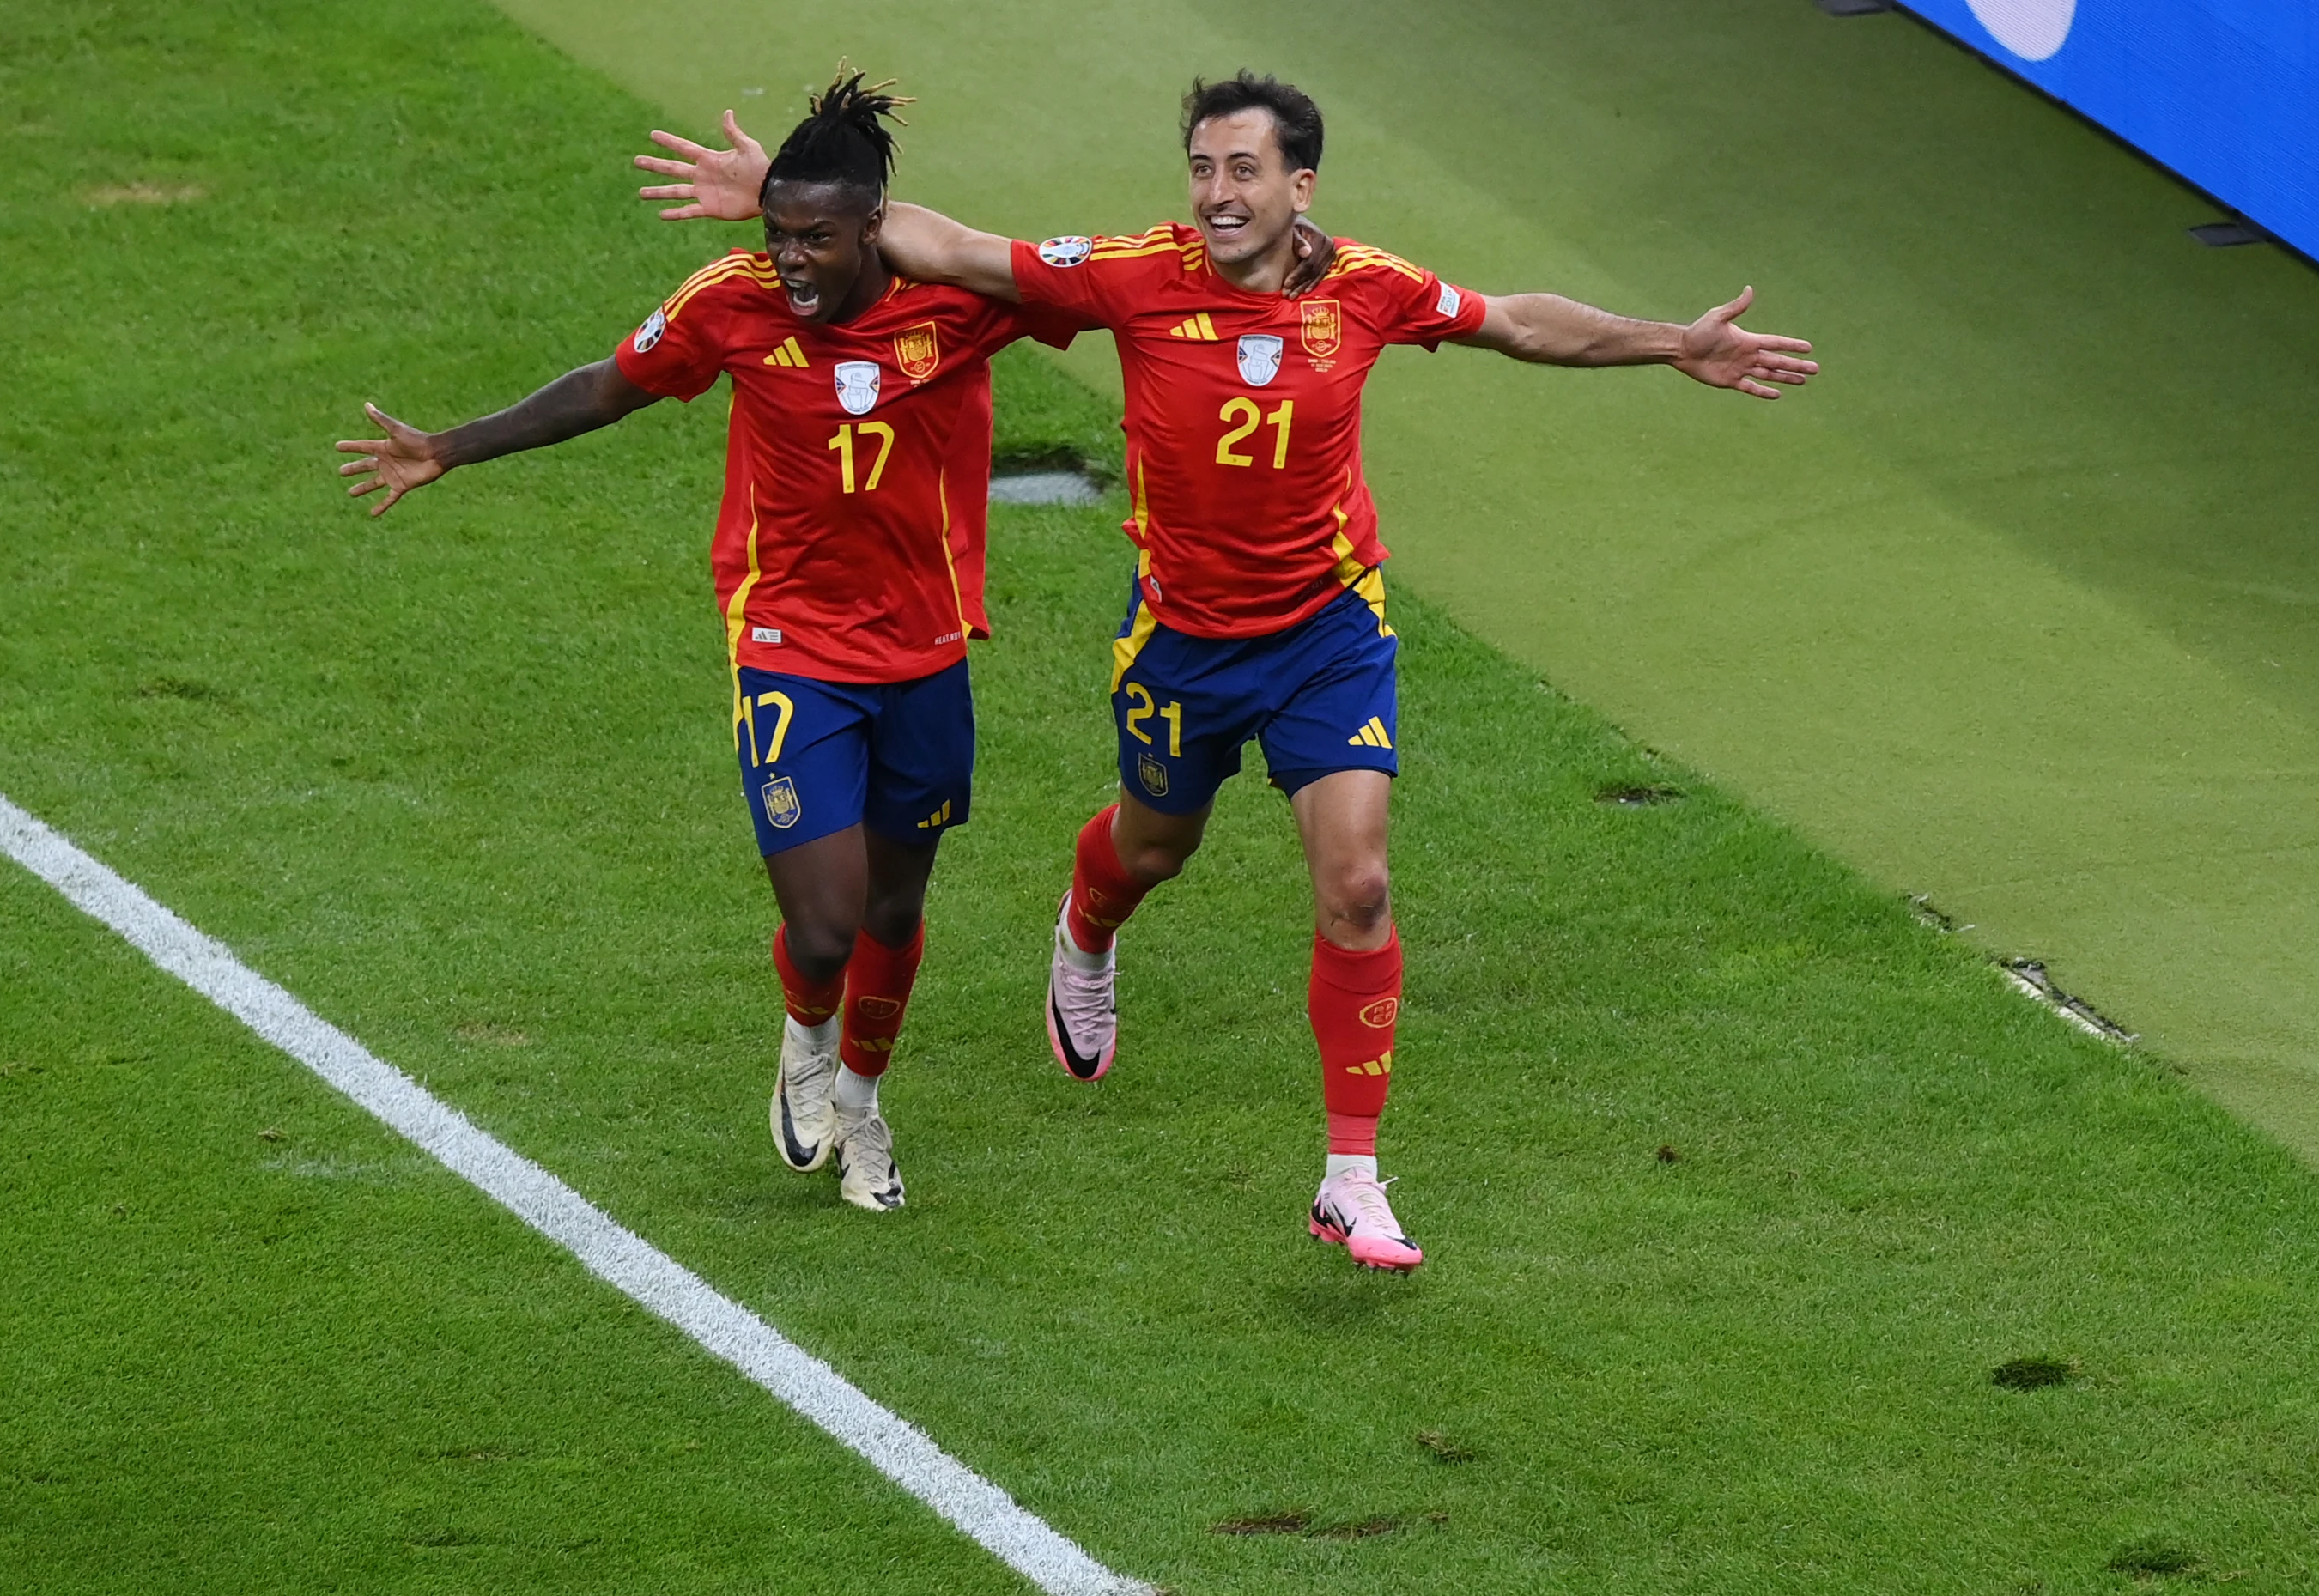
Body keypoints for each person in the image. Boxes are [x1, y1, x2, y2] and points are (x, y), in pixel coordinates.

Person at [638, 70, 1814, 1273]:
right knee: (1152, 849)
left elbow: (1513, 319)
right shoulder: (1137, 275)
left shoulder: (1367, 287)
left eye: (1241, 171)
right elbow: (962, 249)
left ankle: (1349, 1179)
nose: (1215, 194)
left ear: (1300, 185)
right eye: (1202, 168)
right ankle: (1087, 929)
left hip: (1328, 634)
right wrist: (792, 209)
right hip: (1186, 644)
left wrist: (1674, 342)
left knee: (1357, 883)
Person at [339, 75, 1087, 1211]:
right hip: (788, 640)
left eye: (817, 239)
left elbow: (1091, 284)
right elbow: (603, 388)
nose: (790, 260)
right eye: (779, 234)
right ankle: (805, 1034)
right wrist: (449, 447)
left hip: (927, 648)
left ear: (873, 229)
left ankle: (865, 1109)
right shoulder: (728, 304)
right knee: (827, 920)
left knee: (895, 907)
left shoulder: (956, 307)